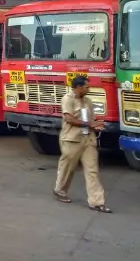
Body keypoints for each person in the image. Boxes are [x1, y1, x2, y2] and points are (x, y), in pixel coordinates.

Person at [54, 75, 111, 213]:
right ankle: (60, 190)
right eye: (86, 87)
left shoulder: (88, 101)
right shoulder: (68, 99)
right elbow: (69, 119)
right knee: (68, 168)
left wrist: (97, 125)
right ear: (78, 87)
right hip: (72, 139)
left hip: (88, 139)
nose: (88, 89)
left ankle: (97, 202)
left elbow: (91, 119)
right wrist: (90, 123)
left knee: (92, 170)